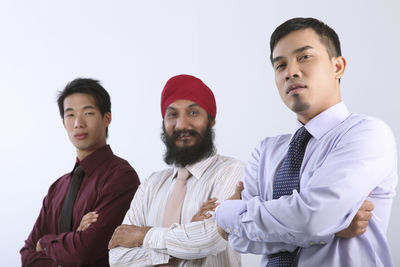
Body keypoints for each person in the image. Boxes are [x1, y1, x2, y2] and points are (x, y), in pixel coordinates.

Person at [216, 17, 398, 267]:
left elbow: (312, 220)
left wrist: (226, 213)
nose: (290, 72)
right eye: (280, 65)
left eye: (304, 57)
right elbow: (239, 241)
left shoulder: (368, 134)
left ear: (338, 67)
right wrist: (332, 227)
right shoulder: (266, 151)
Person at [108, 74, 245, 266]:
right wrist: (189, 233)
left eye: (193, 113)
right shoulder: (151, 184)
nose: (181, 125)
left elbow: (214, 238)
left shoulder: (232, 171)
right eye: (172, 114)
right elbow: (117, 259)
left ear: (211, 120)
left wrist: (142, 235)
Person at [20, 78, 140, 266]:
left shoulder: (121, 177)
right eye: (70, 115)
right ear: (63, 123)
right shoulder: (57, 188)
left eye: (88, 113)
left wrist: (44, 243)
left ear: (106, 118)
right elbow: (27, 255)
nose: (78, 123)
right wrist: (72, 240)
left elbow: (86, 251)